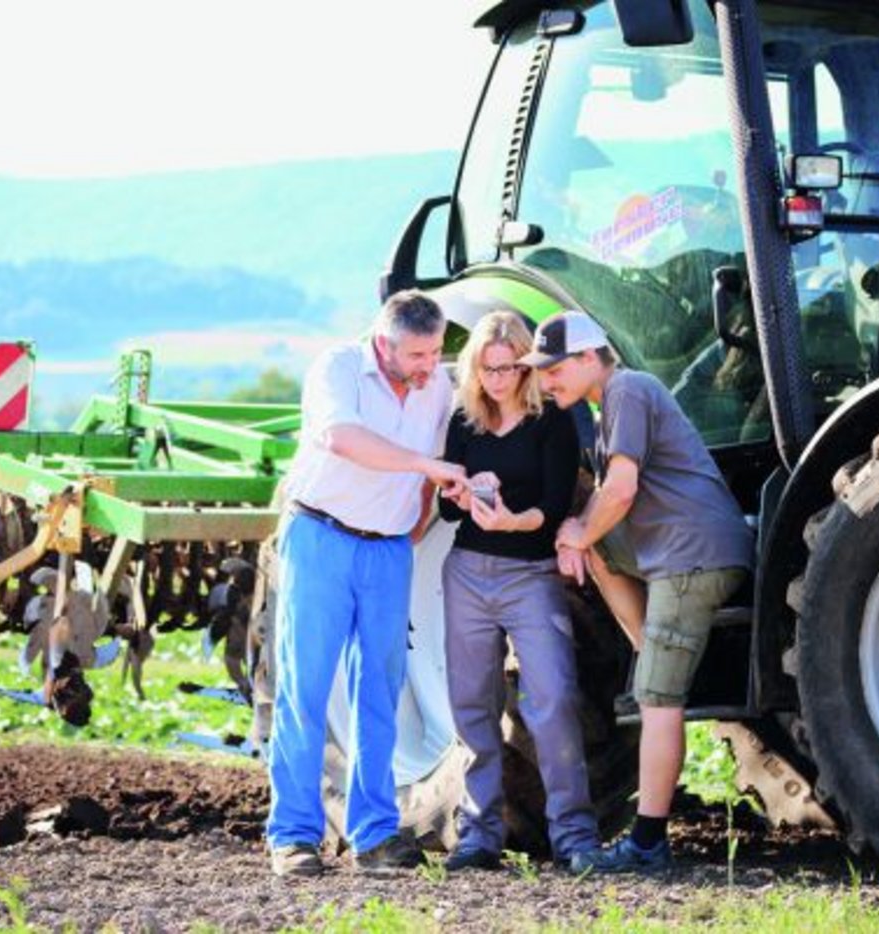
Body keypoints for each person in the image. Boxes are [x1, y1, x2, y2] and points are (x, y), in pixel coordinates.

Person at [524, 309, 754, 874]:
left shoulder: (627, 389)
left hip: (691, 557)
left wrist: (578, 532)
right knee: (591, 540)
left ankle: (648, 844)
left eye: (554, 369)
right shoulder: (610, 405)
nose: (545, 381)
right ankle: (647, 649)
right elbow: (608, 508)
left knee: (657, 701)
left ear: (588, 357)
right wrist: (581, 536)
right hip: (682, 552)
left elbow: (621, 490)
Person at [266, 289, 467, 878]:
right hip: (321, 536)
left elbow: (431, 467)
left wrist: (415, 520)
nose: (429, 365)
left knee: (381, 689)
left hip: (387, 550)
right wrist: (426, 468)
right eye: (417, 354)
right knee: (306, 688)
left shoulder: (436, 386)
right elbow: (341, 438)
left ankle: (375, 833)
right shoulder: (339, 369)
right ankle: (293, 836)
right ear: (384, 343)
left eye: (435, 351)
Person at [436, 310, 602, 873]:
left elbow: (553, 507)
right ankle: (478, 833)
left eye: (508, 368)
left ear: (526, 366)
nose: (497, 380)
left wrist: (511, 521)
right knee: (471, 703)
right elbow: (445, 509)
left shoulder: (552, 421)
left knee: (553, 699)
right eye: (487, 369)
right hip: (467, 573)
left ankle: (574, 835)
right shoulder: (464, 421)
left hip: (530, 574)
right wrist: (461, 495)